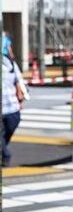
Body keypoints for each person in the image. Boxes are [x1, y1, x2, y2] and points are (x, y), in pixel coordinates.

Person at [2, 33, 26, 167]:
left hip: (12, 107)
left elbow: (18, 81)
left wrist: (20, 98)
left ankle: (3, 150)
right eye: (9, 46)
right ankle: (5, 155)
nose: (11, 49)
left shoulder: (11, 63)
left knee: (10, 128)